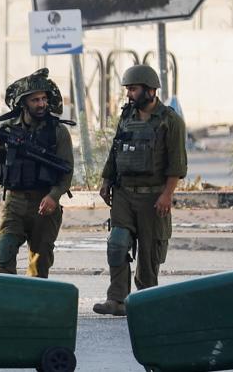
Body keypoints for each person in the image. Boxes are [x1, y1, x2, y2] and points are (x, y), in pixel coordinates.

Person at [92, 64, 187, 317]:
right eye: (128, 89)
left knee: (148, 254)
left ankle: (145, 300)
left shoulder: (170, 121)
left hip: (153, 196)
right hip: (124, 193)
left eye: (133, 89)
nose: (129, 94)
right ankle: (117, 299)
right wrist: (106, 180)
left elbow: (177, 164)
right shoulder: (127, 116)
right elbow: (116, 150)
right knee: (117, 244)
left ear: (150, 90)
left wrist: (167, 195)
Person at [0, 68, 74, 278]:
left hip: (44, 204)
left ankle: (34, 299)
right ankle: (8, 297)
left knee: (39, 265)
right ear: (23, 103)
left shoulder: (58, 132)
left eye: (44, 99)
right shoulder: (7, 128)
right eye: (35, 100)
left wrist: (54, 196)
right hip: (14, 202)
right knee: (4, 252)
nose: (41, 104)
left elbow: (67, 171)